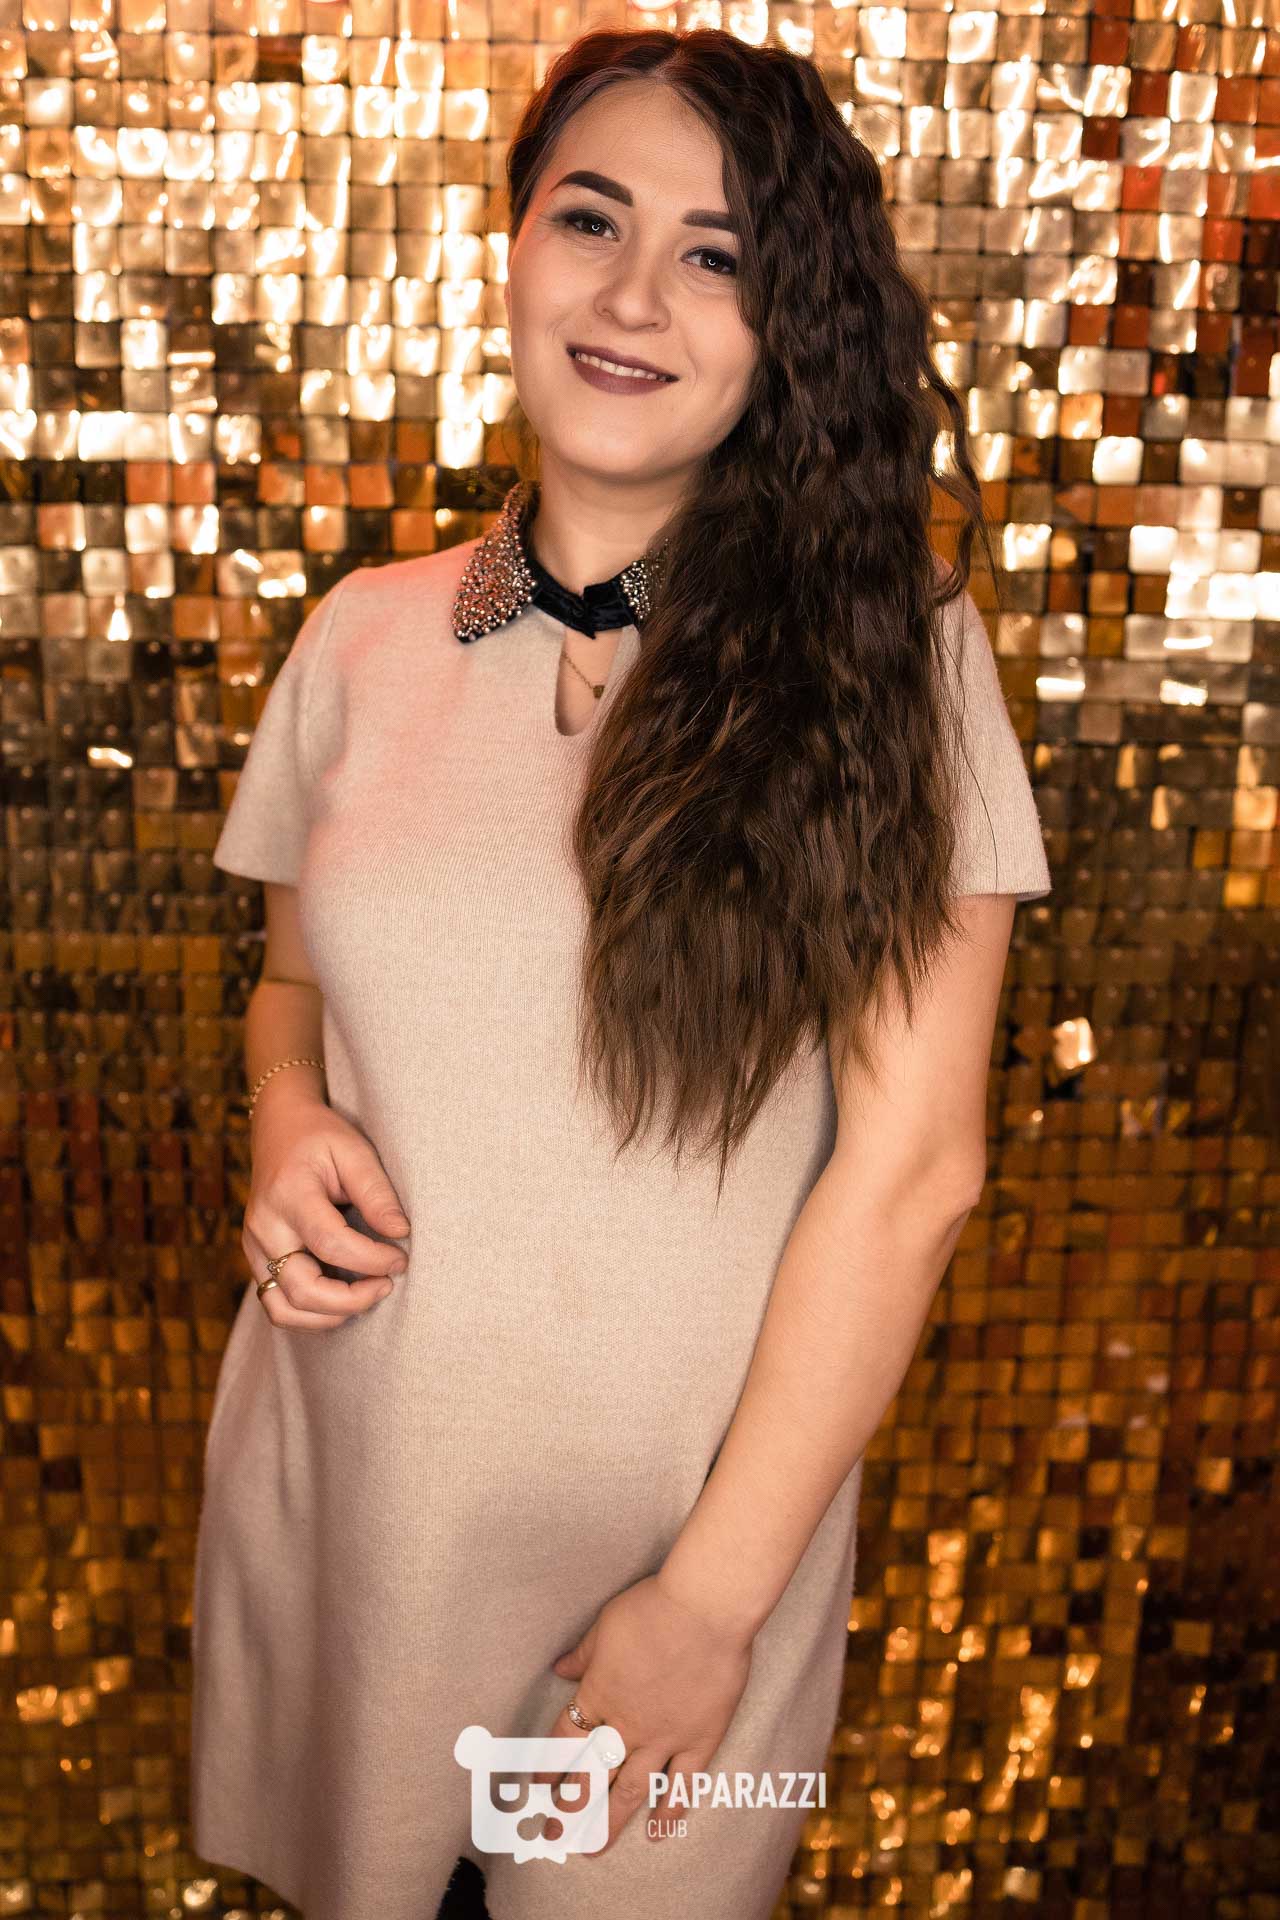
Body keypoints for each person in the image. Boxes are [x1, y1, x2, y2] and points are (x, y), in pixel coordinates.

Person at [189, 25, 1052, 1920]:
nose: (634, 295)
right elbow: (293, 988)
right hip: (352, 1499)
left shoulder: (899, 659)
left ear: (786, 323)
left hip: (668, 1580)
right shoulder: (360, 636)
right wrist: (280, 1116)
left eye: (715, 254)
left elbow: (915, 1174)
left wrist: (710, 1606)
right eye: (590, 220)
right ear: (512, 248)